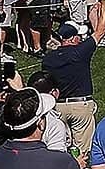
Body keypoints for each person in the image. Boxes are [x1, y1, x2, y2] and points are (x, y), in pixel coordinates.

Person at [42, 22, 98, 158]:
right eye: (79, 36)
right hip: (80, 106)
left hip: (58, 107)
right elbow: (100, 32)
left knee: (60, 145)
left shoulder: (48, 59)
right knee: (82, 151)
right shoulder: (79, 52)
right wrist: (104, 5)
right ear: (73, 39)